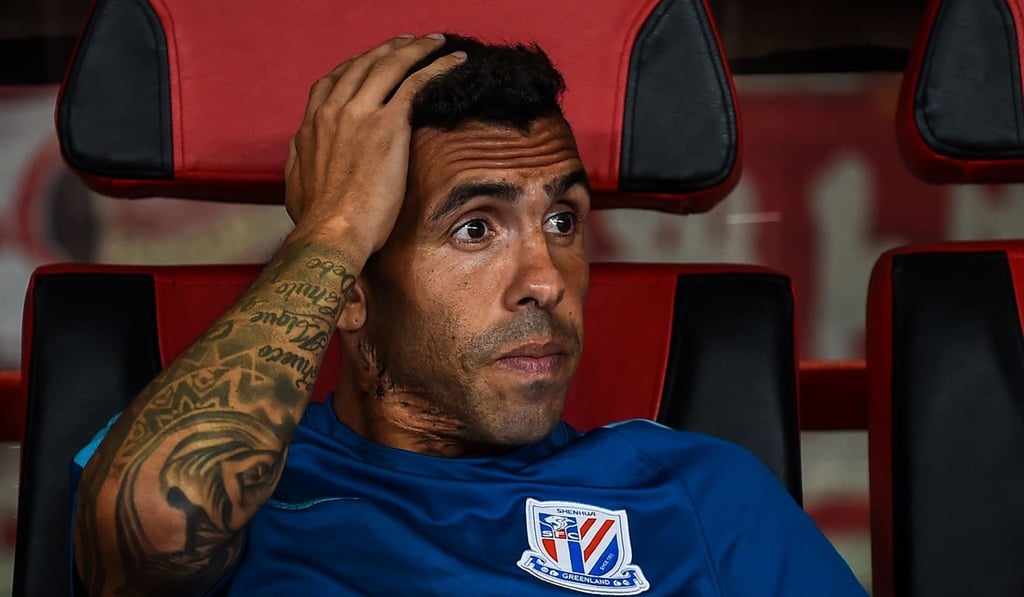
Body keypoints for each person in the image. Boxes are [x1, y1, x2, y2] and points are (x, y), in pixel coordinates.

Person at [69, 33, 867, 596]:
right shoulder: (246, 493)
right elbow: (152, 526)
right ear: (349, 288)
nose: (545, 281)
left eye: (563, 220)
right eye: (475, 228)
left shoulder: (699, 492)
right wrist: (334, 226)